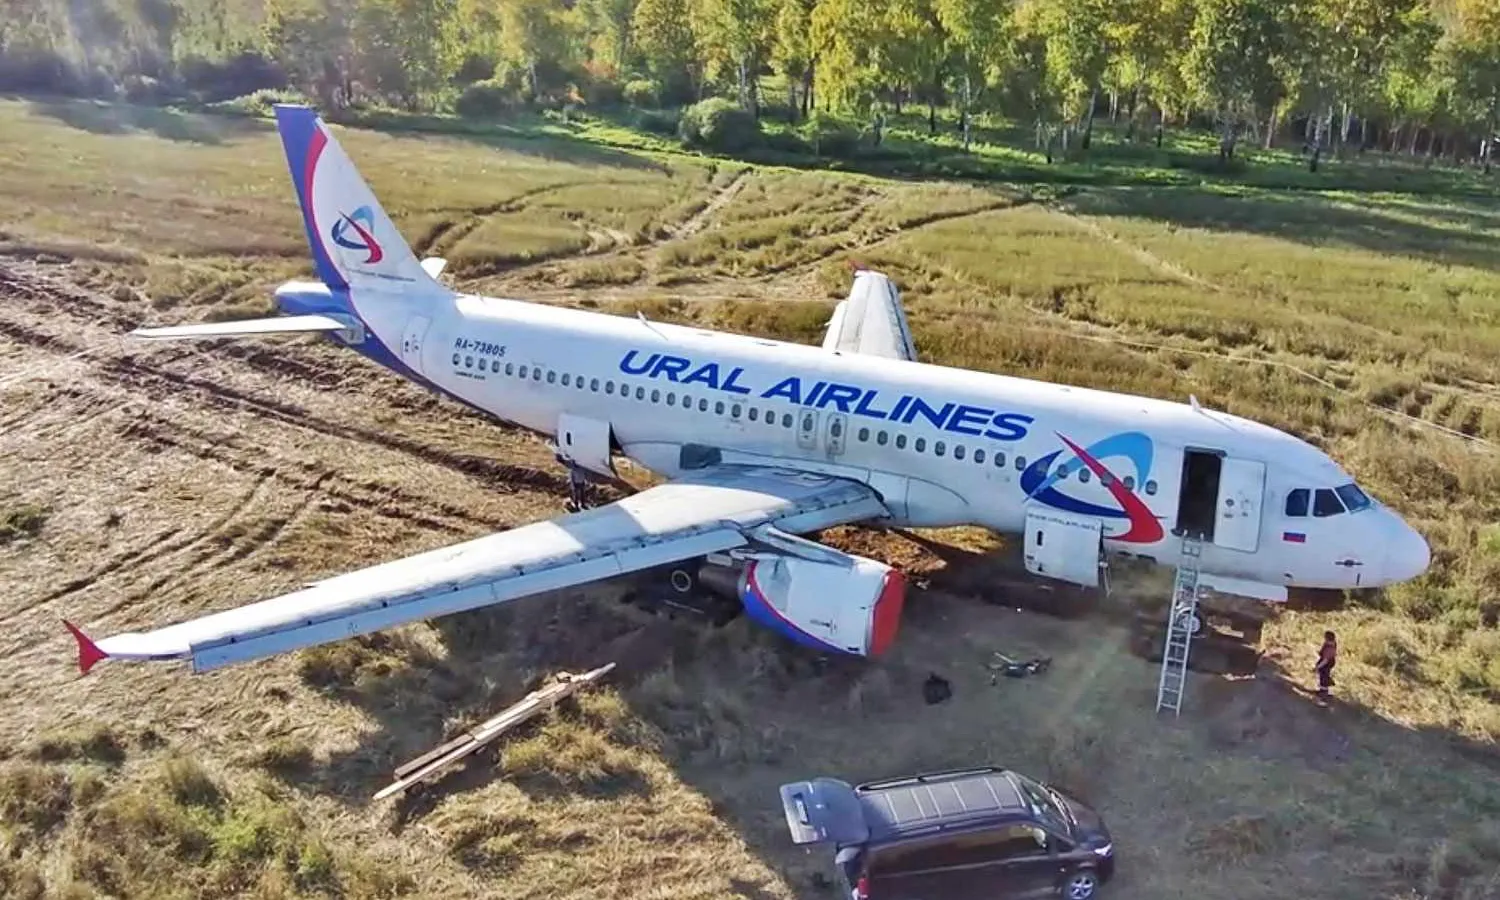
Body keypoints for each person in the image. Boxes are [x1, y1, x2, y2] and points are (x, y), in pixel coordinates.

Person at [1315, 630, 1337, 698]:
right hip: (1327, 661)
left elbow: (1326, 660)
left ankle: (1324, 691)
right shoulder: (1330, 644)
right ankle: (1323, 689)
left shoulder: (1329, 648)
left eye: (1325, 638)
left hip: (1327, 663)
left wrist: (1318, 666)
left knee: (1324, 676)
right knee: (1324, 675)